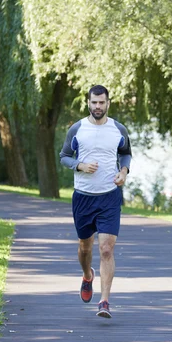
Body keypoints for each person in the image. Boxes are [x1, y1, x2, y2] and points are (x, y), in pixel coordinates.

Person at [59, 85, 132, 318]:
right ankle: (87, 276)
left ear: (108, 103)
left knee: (107, 249)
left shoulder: (118, 129)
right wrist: (79, 165)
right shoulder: (77, 129)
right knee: (85, 248)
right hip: (83, 197)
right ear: (88, 103)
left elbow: (126, 153)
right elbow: (64, 157)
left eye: (101, 102)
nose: (97, 106)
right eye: (94, 102)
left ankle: (104, 302)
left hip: (109, 197)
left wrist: (124, 171)